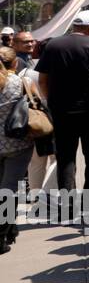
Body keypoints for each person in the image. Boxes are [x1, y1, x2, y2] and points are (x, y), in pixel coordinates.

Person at [34, 10, 89, 206]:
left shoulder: (53, 44)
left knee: (65, 156)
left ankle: (67, 203)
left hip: (61, 111)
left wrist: (50, 100)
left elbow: (42, 80)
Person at [0, 48, 34, 253]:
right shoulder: (18, 83)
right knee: (9, 190)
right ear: (14, 64)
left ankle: (9, 229)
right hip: (17, 143)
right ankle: (3, 233)